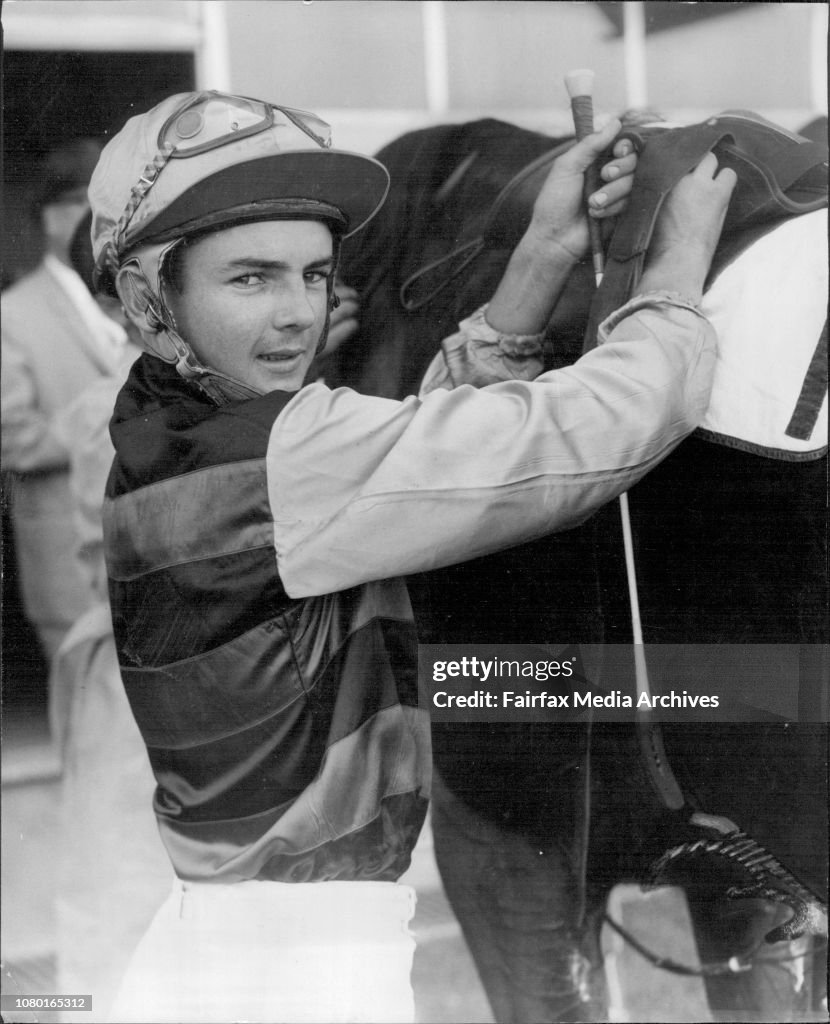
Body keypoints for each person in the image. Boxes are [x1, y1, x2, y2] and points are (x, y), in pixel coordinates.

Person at [87, 89, 734, 1023]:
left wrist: (547, 248)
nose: (297, 315)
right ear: (150, 299)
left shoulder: (168, 426)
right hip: (296, 970)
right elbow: (576, 438)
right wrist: (674, 271)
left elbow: (406, 452)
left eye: (313, 275)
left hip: (241, 933)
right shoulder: (273, 464)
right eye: (251, 278)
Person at [0, 136, 129, 675]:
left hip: (143, 557)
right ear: (53, 218)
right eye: (90, 206)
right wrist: (115, 416)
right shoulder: (12, 314)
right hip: (66, 568)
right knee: (90, 736)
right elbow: (13, 438)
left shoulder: (133, 295)